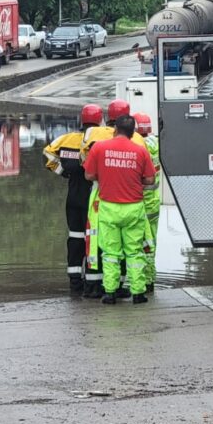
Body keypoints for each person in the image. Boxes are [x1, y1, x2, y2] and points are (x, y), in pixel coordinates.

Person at [84, 114, 156, 305]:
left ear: (114, 129)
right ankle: (139, 293)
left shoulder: (99, 147)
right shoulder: (140, 151)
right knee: (134, 252)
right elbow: (150, 180)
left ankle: (110, 293)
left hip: (109, 207)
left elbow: (89, 175)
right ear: (133, 133)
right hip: (134, 208)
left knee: (110, 253)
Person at [43, 104, 103, 296]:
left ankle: (75, 283)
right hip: (94, 199)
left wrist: (64, 173)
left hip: (73, 197)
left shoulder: (66, 139)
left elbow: (47, 154)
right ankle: (94, 283)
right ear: (100, 120)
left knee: (75, 239)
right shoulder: (102, 140)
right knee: (94, 240)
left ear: (82, 120)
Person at [133, 112, 161, 293]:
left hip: (140, 201)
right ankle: (150, 279)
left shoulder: (138, 145)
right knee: (152, 242)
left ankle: (140, 280)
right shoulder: (156, 143)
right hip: (154, 202)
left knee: (137, 243)